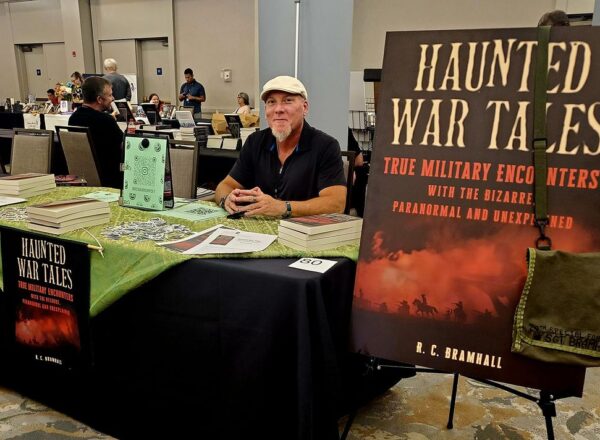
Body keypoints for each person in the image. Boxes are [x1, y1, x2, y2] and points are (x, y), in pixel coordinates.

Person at [215, 75, 346, 218]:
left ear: (305, 108)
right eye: (271, 102)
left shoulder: (326, 146)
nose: (278, 109)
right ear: (266, 111)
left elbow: (336, 203)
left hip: (302, 233)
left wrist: (283, 207)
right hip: (258, 233)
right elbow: (225, 186)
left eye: (288, 101)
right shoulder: (255, 142)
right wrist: (226, 199)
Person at [68, 76, 123, 189]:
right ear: (99, 99)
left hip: (82, 175)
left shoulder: (73, 118)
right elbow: (123, 146)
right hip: (110, 178)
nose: (112, 98)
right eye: (109, 95)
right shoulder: (105, 121)